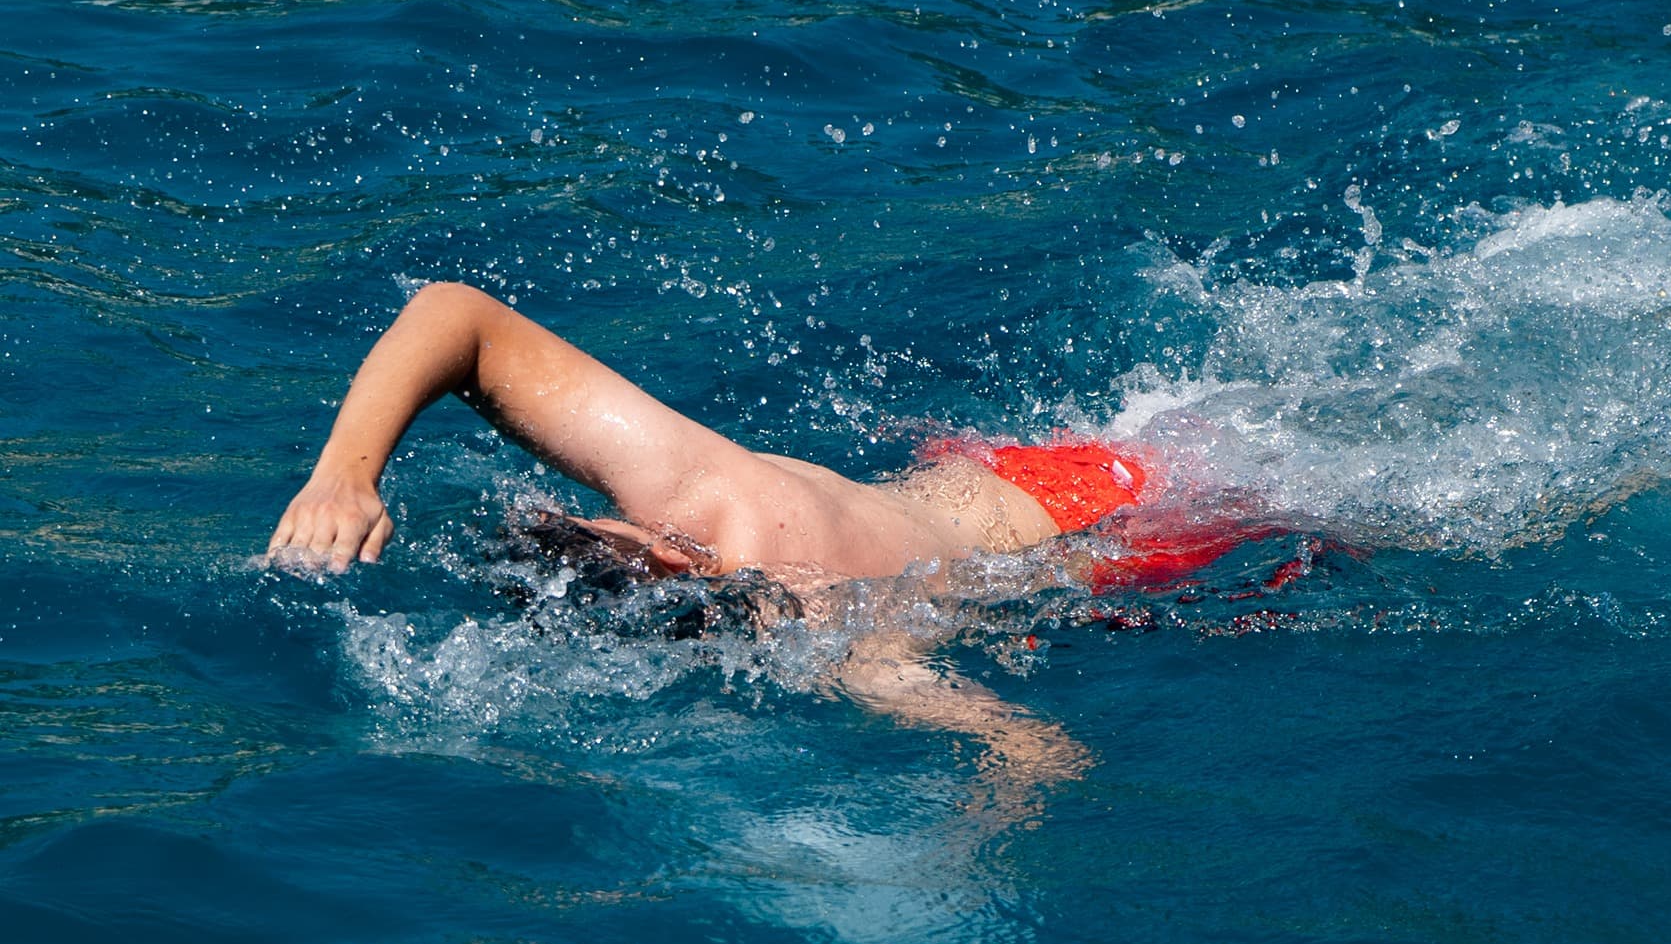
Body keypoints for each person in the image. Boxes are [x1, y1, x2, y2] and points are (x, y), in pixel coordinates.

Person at [267, 281, 1156, 583]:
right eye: (600, 528)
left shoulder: (718, 507)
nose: (597, 514)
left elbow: (454, 315)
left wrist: (344, 474)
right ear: (664, 559)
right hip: (1056, 498)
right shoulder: (745, 544)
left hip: (1106, 517)